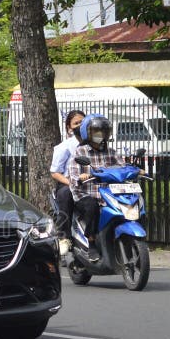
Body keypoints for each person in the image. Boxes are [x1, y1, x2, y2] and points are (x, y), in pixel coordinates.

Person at [67, 114, 123, 263]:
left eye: (103, 131)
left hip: (108, 194)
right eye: (96, 131)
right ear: (88, 133)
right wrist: (81, 176)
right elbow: (73, 175)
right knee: (91, 206)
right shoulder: (80, 152)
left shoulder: (111, 152)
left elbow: (122, 166)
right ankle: (91, 242)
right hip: (85, 193)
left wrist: (136, 170)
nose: (100, 135)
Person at [49, 110, 85, 254]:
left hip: (90, 183)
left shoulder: (95, 144)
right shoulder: (65, 146)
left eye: (83, 122)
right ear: (69, 128)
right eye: (76, 123)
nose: (80, 125)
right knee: (66, 194)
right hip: (67, 183)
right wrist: (70, 182)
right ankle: (63, 236)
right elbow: (54, 172)